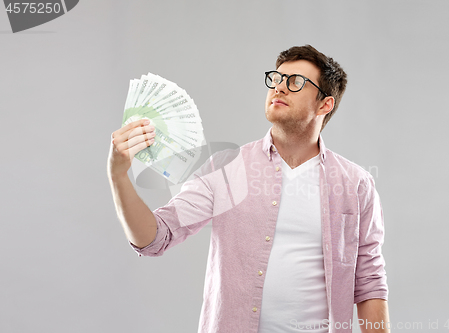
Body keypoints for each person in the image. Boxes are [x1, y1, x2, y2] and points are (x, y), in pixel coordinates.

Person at [107, 45, 390, 333]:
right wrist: (119, 175)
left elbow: (369, 282)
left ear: (324, 105)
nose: (279, 88)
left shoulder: (356, 184)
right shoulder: (227, 169)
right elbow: (154, 238)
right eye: (276, 79)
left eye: (295, 82)